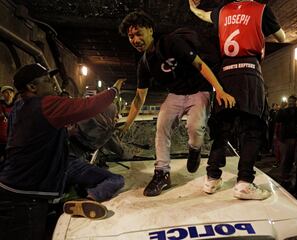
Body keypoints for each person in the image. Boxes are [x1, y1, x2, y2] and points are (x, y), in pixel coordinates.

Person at [0, 63, 125, 240]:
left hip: (11, 188)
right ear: (32, 87)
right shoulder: (45, 105)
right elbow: (90, 105)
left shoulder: (18, 108)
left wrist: (64, 132)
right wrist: (114, 90)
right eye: (47, 80)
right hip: (25, 198)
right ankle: (87, 199)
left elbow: (31, 137)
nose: (53, 84)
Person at [119, 11, 235, 197]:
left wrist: (218, 90)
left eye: (139, 33)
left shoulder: (170, 43)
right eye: (131, 36)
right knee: (162, 126)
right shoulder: (144, 64)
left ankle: (194, 150)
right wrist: (126, 125)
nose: (135, 39)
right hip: (175, 95)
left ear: (150, 30)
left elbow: (200, 65)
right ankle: (162, 173)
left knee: (195, 127)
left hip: (199, 90)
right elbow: (139, 98)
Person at [189, 0, 285, 200]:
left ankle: (212, 177)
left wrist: (193, 8)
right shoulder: (261, 9)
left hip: (226, 74)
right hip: (249, 71)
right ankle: (244, 182)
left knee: (222, 129)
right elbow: (281, 36)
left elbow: (203, 15)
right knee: (252, 130)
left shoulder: (222, 11)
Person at [0, 85, 16, 161]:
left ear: (13, 94)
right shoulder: (0, 106)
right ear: (2, 95)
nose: (9, 94)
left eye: (10, 92)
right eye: (6, 93)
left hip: (12, 141)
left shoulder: (17, 106)